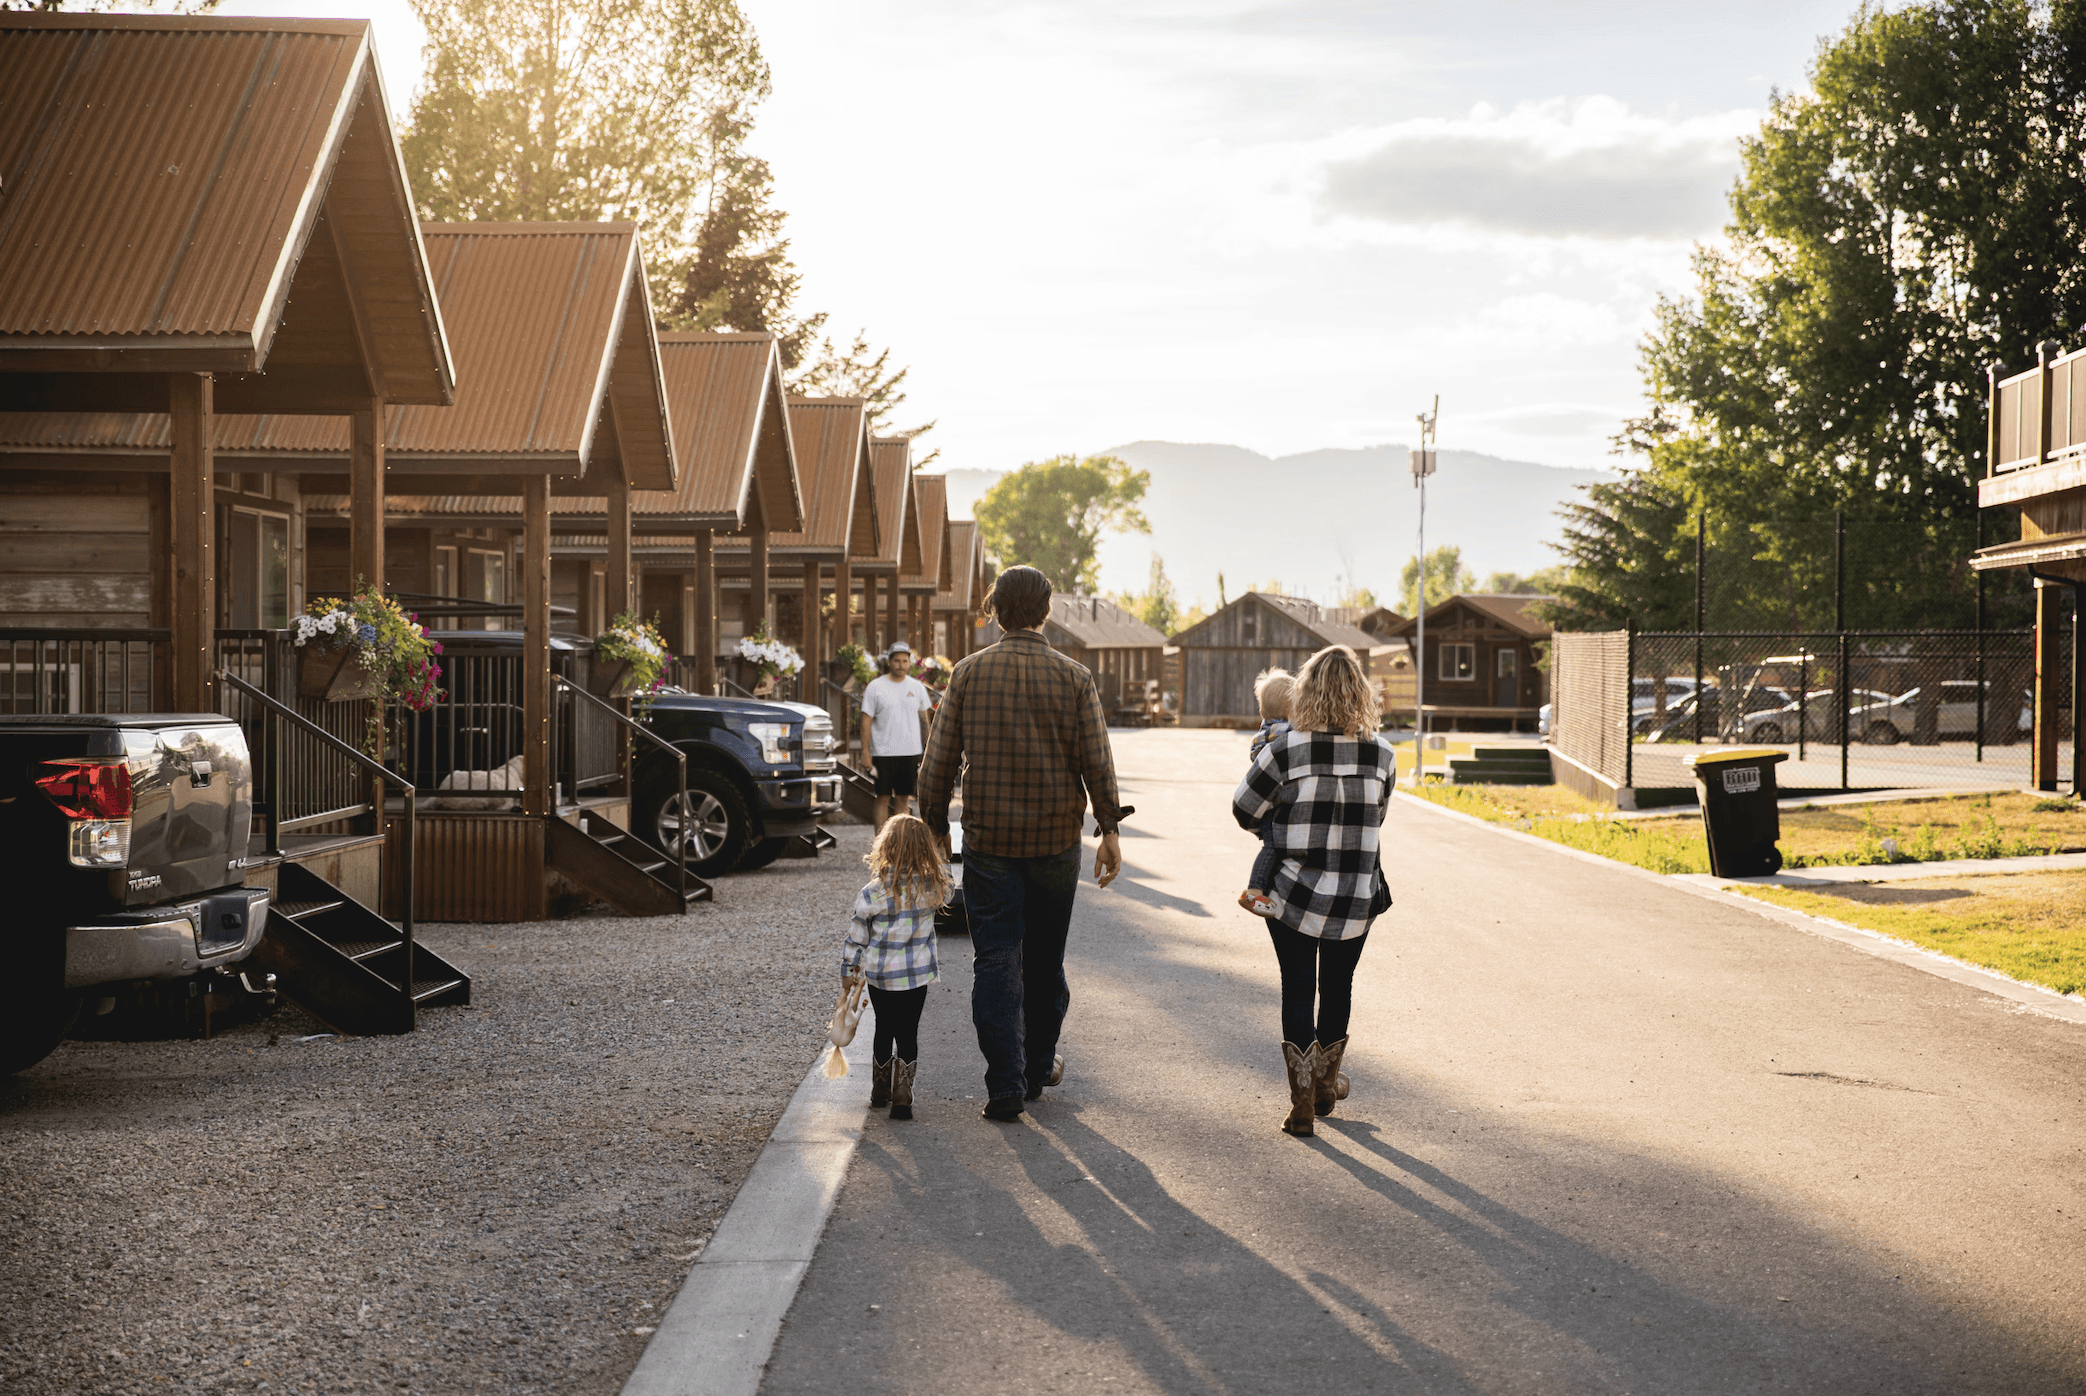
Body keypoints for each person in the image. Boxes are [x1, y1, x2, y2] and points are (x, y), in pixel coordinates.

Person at [917, 564, 1124, 1123]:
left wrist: (935, 824)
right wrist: (1109, 829)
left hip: (990, 843)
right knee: (1044, 958)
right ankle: (1036, 1069)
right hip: (1057, 843)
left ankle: (1004, 1084)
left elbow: (938, 761)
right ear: (1047, 611)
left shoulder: (967, 674)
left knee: (996, 960)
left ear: (995, 610)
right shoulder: (1075, 677)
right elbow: (1096, 761)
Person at [1231, 644, 1394, 1139]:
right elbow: (1378, 815)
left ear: (1305, 692)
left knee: (1298, 988)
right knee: (1338, 987)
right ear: (1361, 694)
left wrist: (1287, 818)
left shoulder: (1285, 749)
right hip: (1356, 895)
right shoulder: (1383, 754)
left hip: (1295, 895)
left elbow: (1243, 810)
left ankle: (1301, 1103)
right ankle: (1326, 1085)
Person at [840, 813, 950, 1121]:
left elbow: (857, 936)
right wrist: (941, 853)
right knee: (908, 1030)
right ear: (924, 850)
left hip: (881, 976)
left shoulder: (871, 892)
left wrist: (849, 971)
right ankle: (903, 1094)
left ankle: (879, 1090)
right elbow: (951, 889)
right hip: (916, 976)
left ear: (885, 847)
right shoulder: (931, 887)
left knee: (883, 1027)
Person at [858, 641, 935, 830]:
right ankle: (880, 849)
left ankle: (900, 845)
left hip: (910, 751)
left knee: (903, 799)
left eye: (905, 661)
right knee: (882, 797)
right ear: (889, 662)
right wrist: (865, 752)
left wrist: (928, 751)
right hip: (882, 752)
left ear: (910, 663)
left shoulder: (917, 688)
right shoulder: (875, 687)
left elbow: (925, 721)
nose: (901, 665)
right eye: (897, 661)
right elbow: (865, 722)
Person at [1237, 668, 1294, 918]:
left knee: (1274, 847)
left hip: (1265, 803)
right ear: (1291, 708)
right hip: (1276, 806)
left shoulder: (1263, 732)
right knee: (1273, 847)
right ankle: (1254, 891)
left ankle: (1265, 890)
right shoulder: (1287, 734)